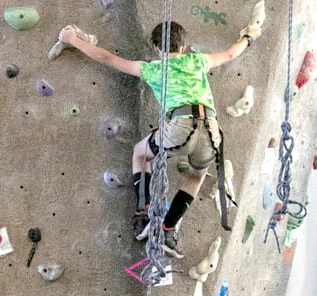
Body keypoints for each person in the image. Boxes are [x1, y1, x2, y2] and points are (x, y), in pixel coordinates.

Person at [57, 20, 261, 258]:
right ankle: (168, 230)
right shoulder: (198, 61)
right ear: (184, 47)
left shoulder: (153, 69)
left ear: (156, 48)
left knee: (141, 154)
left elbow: (107, 58)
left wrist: (74, 40)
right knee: (196, 176)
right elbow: (229, 53)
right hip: (212, 131)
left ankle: (143, 215)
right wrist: (249, 36)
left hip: (181, 126)